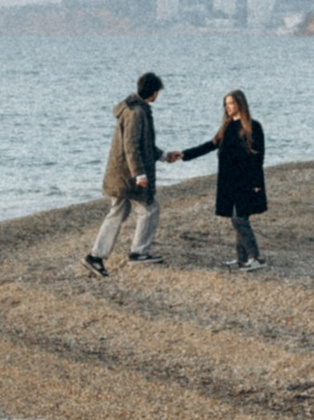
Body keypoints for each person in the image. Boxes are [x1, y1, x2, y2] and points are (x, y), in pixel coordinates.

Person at [168, 89, 268, 264]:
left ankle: (256, 257)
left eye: (231, 103)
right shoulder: (227, 127)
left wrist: (256, 182)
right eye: (226, 104)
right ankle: (242, 259)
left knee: (239, 219)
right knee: (237, 217)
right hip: (229, 180)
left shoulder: (253, 127)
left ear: (240, 104)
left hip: (245, 180)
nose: (227, 107)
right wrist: (184, 154)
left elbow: (258, 157)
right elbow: (210, 145)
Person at [86, 72, 165, 271]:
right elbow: (131, 145)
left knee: (118, 211)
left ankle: (96, 256)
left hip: (120, 173)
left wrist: (163, 155)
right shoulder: (137, 112)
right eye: (158, 92)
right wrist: (139, 174)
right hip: (127, 176)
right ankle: (138, 252)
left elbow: (143, 145)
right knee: (149, 208)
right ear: (154, 93)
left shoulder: (133, 109)